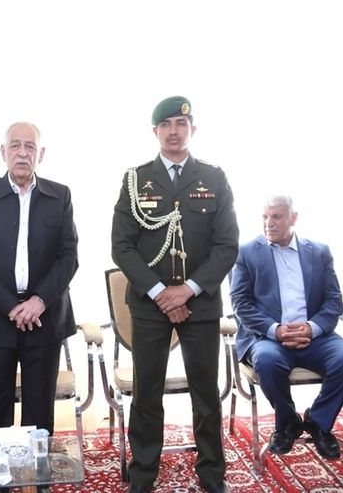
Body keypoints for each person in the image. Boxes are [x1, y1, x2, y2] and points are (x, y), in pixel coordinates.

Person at [111, 96, 239, 493]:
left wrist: (186, 291)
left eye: (180, 124)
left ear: (192, 129)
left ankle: (212, 472)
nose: (173, 131)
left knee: (206, 393)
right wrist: (161, 294)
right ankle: (143, 472)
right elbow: (122, 247)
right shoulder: (135, 180)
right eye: (165, 124)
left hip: (200, 303)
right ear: (155, 131)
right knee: (147, 393)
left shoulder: (214, 178)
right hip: (149, 306)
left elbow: (227, 245)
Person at [0, 121, 78, 435]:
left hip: (44, 318)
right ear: (4, 152)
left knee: (39, 413)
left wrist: (39, 301)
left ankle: (37, 468)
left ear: (41, 153)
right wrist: (11, 306)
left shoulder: (60, 196)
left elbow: (68, 256)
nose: (22, 153)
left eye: (30, 146)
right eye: (15, 145)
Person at [230, 196, 343, 460]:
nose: (269, 223)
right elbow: (240, 303)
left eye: (276, 217)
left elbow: (334, 301)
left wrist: (312, 328)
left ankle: (318, 422)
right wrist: (275, 330)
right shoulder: (247, 252)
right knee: (267, 362)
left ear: (293, 218)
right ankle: (288, 422)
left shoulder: (319, 251)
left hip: (315, 336)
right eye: (265, 217)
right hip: (268, 337)